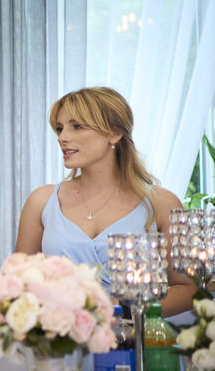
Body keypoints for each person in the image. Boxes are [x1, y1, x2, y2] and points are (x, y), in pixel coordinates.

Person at [15, 86, 193, 316]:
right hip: (60, 335)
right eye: (60, 128)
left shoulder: (162, 203)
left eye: (76, 126)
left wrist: (123, 309)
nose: (62, 137)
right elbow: (19, 283)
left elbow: (188, 290)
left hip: (134, 335)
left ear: (115, 133)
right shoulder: (41, 200)